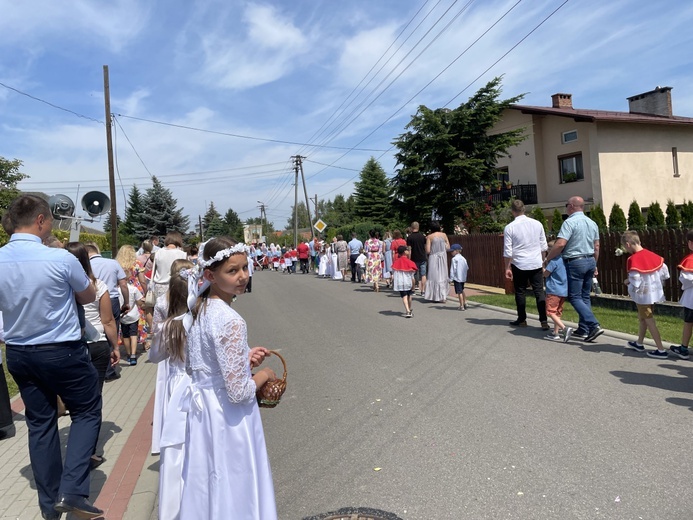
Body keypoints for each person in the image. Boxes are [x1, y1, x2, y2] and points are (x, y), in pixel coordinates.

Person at [0, 195, 103, 519]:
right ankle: (72, 491)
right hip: (60, 350)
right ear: (42, 220)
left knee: (40, 423)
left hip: (18, 352)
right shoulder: (59, 259)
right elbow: (88, 294)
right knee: (86, 411)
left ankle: (49, 506)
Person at [178, 237, 277, 519]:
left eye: (245, 267)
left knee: (210, 480)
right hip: (228, 417)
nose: (243, 276)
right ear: (210, 275)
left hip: (204, 414)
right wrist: (264, 375)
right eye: (232, 271)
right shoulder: (231, 320)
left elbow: (203, 364)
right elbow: (239, 392)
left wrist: (243, 358)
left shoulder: (201, 308)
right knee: (234, 480)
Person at [65, 241, 120, 470]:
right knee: (93, 398)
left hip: (70, 346)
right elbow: (107, 320)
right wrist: (115, 346)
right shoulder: (98, 286)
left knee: (75, 400)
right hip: (96, 344)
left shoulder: (61, 286)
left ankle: (76, 445)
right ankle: (91, 451)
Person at [148, 259, 193, 520]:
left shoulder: (169, 327)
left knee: (177, 446)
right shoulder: (201, 321)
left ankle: (175, 507)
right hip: (198, 384)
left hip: (176, 385)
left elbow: (155, 357)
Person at [544, 196, 603, 342]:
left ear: (571, 206)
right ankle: (584, 329)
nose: (566, 208)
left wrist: (548, 258)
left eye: (566, 205)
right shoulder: (592, 223)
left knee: (575, 297)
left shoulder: (569, 222)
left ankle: (593, 325)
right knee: (584, 296)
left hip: (575, 261)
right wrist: (594, 263)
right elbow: (596, 246)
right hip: (589, 259)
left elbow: (560, 244)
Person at [620, 231, 670, 357]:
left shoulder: (633, 259)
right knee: (643, 318)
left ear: (628, 244)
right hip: (654, 292)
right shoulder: (652, 255)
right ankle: (639, 343)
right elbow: (665, 272)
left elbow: (635, 280)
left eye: (625, 247)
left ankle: (661, 349)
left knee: (649, 319)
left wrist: (627, 282)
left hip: (643, 295)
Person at [503, 200, 549, 329]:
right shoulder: (537, 224)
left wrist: (507, 267)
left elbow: (508, 250)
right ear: (524, 210)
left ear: (512, 211)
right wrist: (542, 261)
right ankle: (543, 321)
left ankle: (522, 319)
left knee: (520, 291)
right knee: (539, 291)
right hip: (535, 262)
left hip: (519, 263)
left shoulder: (510, 227)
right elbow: (543, 245)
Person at [542, 240, 573, 342]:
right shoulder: (563, 260)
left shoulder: (554, 261)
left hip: (553, 290)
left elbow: (546, 274)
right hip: (563, 290)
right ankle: (555, 333)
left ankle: (564, 329)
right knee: (557, 312)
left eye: (549, 249)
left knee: (550, 311)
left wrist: (543, 266)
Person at [671, 230, 693, 360]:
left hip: (691, 298)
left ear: (690, 243)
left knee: (688, 323)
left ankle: (684, 349)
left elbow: (686, 279)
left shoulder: (690, 259)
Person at [151, 231, 188, 301]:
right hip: (176, 285)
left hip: (159, 286)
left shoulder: (158, 253)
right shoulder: (182, 254)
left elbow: (155, 270)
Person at [424, 222, 450, 303]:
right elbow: (448, 247)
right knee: (443, 275)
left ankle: (434, 296)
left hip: (433, 257)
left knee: (434, 276)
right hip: (442, 256)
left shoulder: (430, 237)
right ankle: (443, 296)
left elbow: (428, 251)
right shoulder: (444, 235)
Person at [392, 245, 418, 318]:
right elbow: (412, 276)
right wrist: (413, 284)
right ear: (404, 252)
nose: (408, 251)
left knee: (404, 296)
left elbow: (393, 272)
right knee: (410, 295)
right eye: (407, 250)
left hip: (400, 282)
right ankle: (408, 309)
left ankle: (408, 310)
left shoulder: (396, 262)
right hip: (408, 281)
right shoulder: (410, 262)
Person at [407, 222, 427, 295]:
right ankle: (423, 291)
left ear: (412, 228)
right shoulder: (423, 237)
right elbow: (425, 247)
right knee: (423, 274)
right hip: (422, 257)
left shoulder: (410, 237)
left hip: (414, 258)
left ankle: (413, 290)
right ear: (418, 227)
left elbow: (409, 249)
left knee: (413, 274)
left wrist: (409, 259)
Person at [448, 244, 469, 311]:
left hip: (457, 278)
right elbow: (467, 267)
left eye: (452, 251)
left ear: (456, 251)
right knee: (462, 290)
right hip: (463, 277)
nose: (451, 253)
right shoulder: (463, 258)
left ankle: (461, 305)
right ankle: (465, 302)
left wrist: (451, 279)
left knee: (459, 292)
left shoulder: (454, 259)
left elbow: (453, 269)